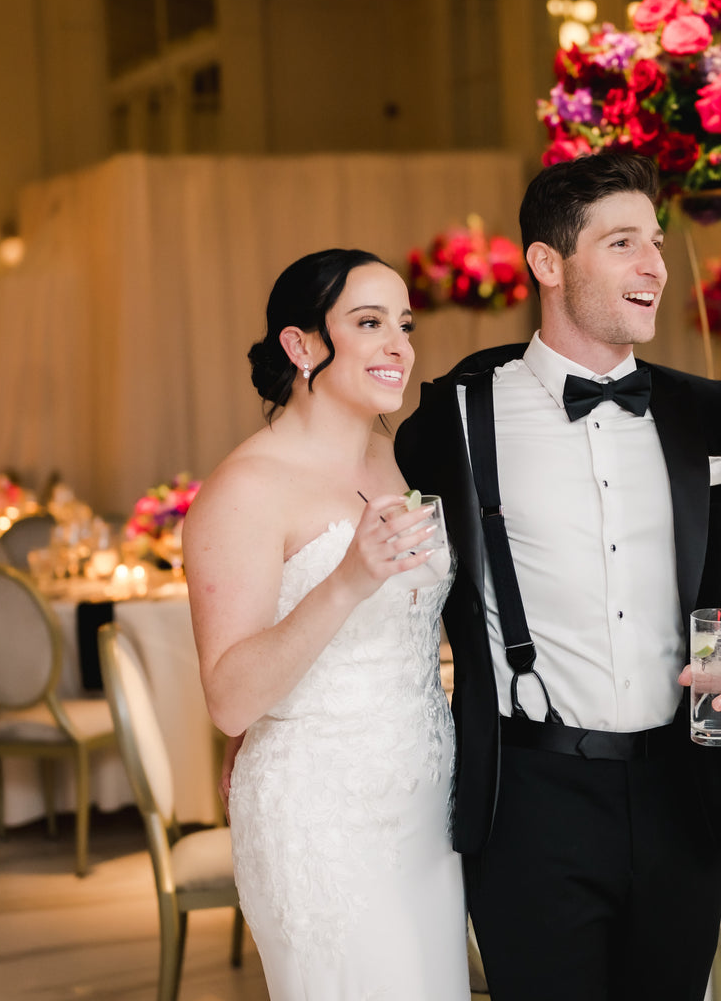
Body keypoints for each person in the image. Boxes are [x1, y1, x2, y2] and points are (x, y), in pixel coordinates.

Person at [394, 152, 721, 1000]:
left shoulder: (707, 410)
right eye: (623, 243)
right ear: (548, 263)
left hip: (683, 786)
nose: (655, 266)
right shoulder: (455, 417)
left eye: (654, 242)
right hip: (528, 795)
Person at [188, 248, 468, 998]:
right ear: (302, 344)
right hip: (320, 813)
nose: (398, 346)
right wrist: (346, 581)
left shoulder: (398, 458)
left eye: (404, 325)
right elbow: (230, 700)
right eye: (369, 322)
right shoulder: (245, 489)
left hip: (423, 795)